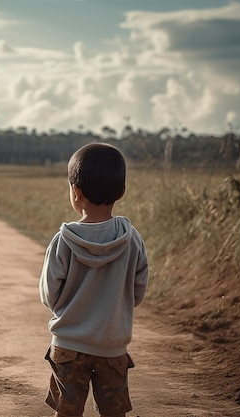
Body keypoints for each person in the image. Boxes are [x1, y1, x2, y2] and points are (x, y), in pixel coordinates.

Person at [39, 142, 149, 417]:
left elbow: (49, 294)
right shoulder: (132, 238)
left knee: (67, 412)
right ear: (121, 191)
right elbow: (138, 291)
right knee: (114, 413)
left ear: (76, 192)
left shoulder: (64, 240)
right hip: (112, 346)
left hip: (68, 346)